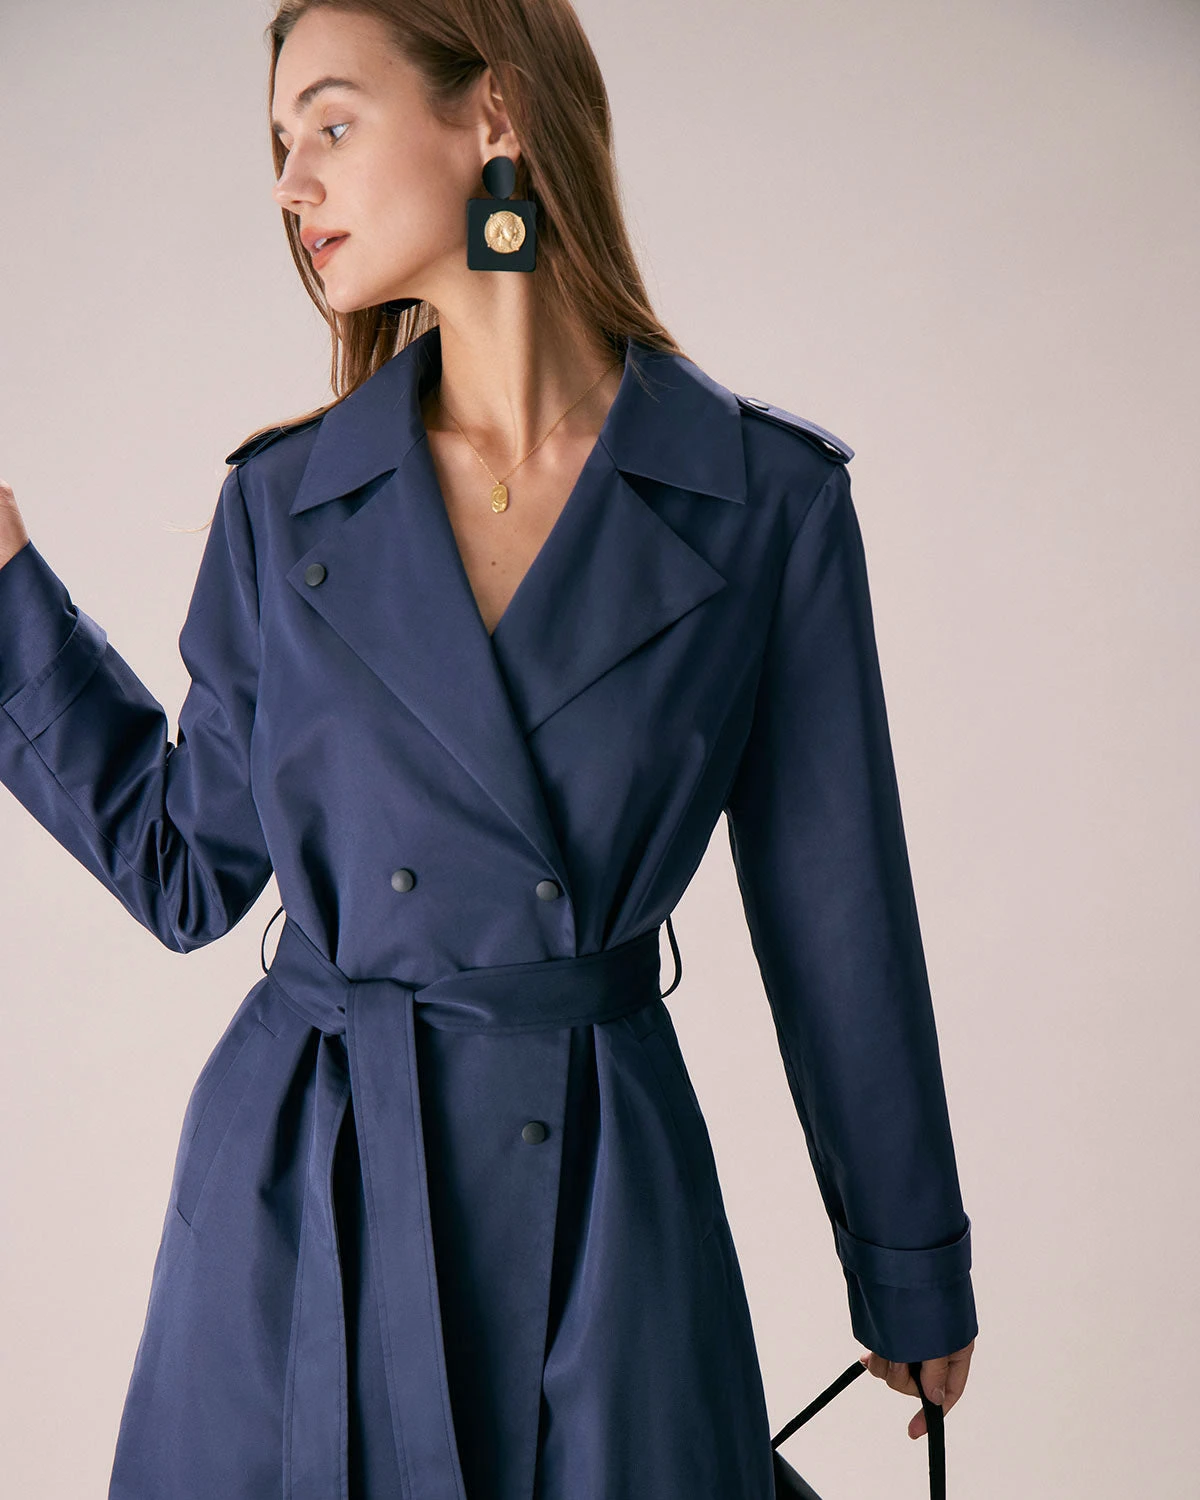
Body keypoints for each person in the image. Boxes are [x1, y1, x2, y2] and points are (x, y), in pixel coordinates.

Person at [0, 2, 977, 1497]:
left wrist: (908, 1272)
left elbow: (837, 917)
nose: (290, 183)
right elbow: (186, 867)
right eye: (279, 145)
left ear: (495, 116)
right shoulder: (284, 502)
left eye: (333, 124)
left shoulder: (761, 503)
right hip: (307, 1197)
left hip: (600, 1208)